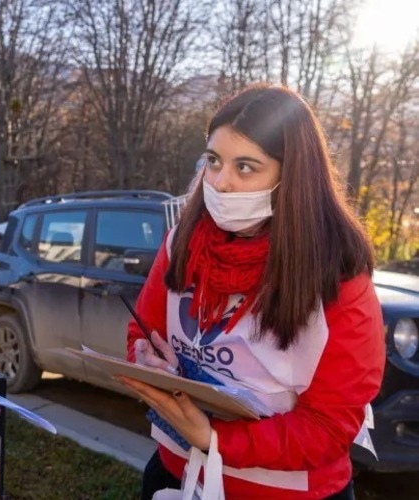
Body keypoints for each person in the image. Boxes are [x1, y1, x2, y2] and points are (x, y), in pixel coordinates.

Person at [121, 84, 385, 499]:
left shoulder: (338, 274)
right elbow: (142, 331)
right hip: (176, 474)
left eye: (245, 167)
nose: (221, 183)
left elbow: (330, 427)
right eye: (213, 161)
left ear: (291, 176)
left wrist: (215, 439)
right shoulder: (181, 241)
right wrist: (146, 361)